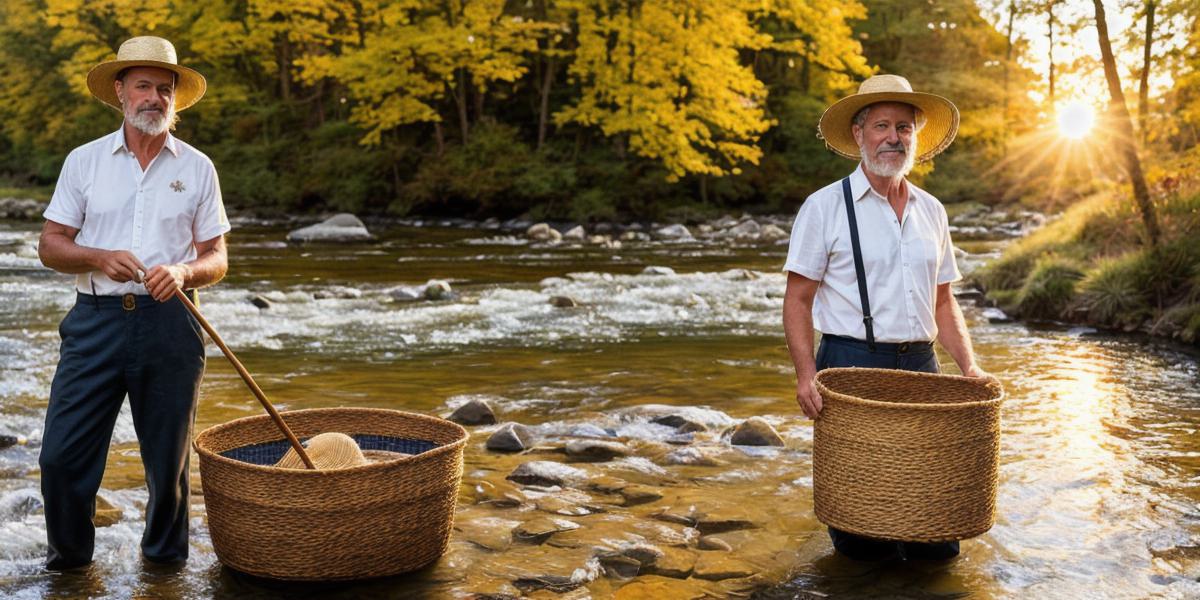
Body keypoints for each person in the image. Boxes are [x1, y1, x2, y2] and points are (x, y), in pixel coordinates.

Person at [36, 36, 229, 570]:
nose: (154, 97)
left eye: (164, 89)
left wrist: (185, 269)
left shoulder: (197, 168)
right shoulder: (85, 161)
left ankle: (163, 572)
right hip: (94, 323)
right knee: (60, 459)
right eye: (143, 85)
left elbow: (217, 256)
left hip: (172, 324)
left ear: (175, 99)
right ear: (119, 91)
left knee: (167, 468)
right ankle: (70, 566)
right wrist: (97, 256)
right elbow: (50, 245)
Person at [781, 74, 989, 561]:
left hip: (923, 369)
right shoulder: (824, 207)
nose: (893, 137)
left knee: (937, 531)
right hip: (850, 369)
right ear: (859, 135)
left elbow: (943, 301)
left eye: (903, 127)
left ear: (915, 135)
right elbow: (797, 300)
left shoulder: (931, 210)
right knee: (861, 532)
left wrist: (969, 368)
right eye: (881, 125)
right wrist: (805, 374)